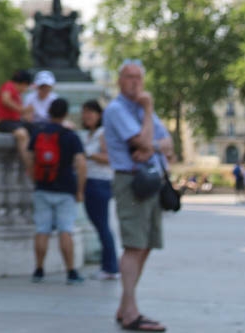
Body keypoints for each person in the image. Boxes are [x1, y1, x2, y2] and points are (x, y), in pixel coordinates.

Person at [103, 59, 173, 332]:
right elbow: (141, 141)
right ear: (120, 80)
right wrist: (148, 110)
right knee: (134, 245)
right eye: (129, 77)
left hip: (151, 180)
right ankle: (131, 312)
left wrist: (152, 146)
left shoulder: (142, 112)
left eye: (139, 78)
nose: (135, 82)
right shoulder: (117, 109)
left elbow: (168, 144)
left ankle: (125, 307)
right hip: (132, 182)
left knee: (145, 245)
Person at [19, 97, 86, 285]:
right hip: (65, 189)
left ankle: (39, 270)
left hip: (42, 186)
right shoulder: (71, 136)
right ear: (65, 114)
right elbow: (81, 163)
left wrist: (35, 178)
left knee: (42, 230)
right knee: (66, 231)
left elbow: (29, 157)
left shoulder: (39, 133)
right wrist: (80, 190)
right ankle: (71, 272)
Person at [81, 99, 119, 279]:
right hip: (91, 181)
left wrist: (88, 155)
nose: (87, 116)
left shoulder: (102, 133)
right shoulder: (91, 134)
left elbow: (110, 158)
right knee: (100, 224)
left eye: (91, 112)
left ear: (99, 115)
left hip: (99, 182)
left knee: (102, 225)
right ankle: (108, 265)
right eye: (85, 112)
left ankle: (111, 267)